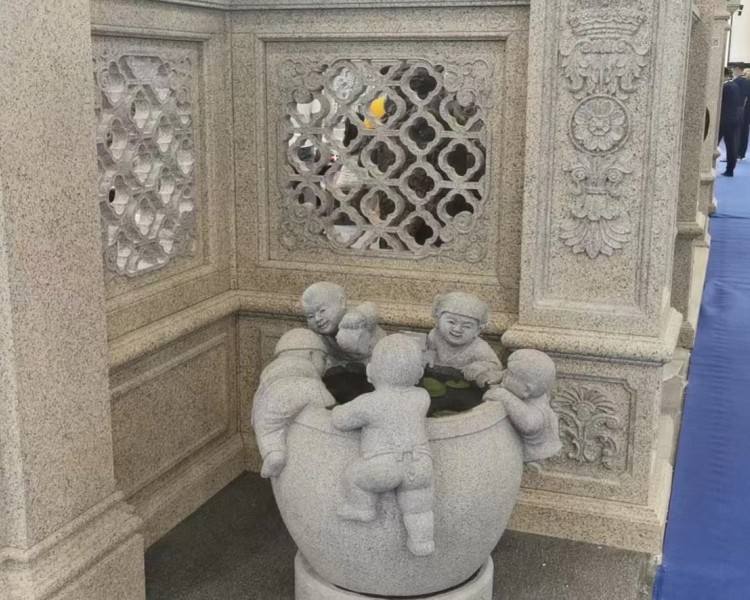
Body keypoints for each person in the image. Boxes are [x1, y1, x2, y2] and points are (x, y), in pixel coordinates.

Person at [331, 334, 435, 556]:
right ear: (419, 373)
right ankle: (422, 541)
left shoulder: (369, 403)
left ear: (370, 371)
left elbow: (340, 420)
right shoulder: (422, 396)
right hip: (420, 463)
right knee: (419, 509)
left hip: (384, 465)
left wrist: (337, 410)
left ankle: (361, 507)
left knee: (354, 475)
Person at [251, 328, 335, 478]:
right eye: (323, 358)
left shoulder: (271, 370)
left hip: (273, 397)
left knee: (267, 428)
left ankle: (274, 453)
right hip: (309, 389)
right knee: (330, 409)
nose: (327, 364)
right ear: (310, 354)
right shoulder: (310, 378)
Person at [485, 349, 561, 462]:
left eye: (510, 374)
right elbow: (520, 380)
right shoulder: (537, 391)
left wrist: (502, 395)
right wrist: (500, 375)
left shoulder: (537, 413)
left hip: (534, 458)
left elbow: (529, 423)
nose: (505, 375)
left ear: (527, 390)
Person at [425, 291, 503, 387]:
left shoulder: (479, 347)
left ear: (478, 330)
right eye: (451, 322)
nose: (457, 329)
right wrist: (429, 355)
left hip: (467, 385)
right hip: (436, 381)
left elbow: (496, 365)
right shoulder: (435, 335)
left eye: (467, 326)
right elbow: (430, 350)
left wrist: (481, 366)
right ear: (438, 320)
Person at [719, 69, 744, 177]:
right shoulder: (735, 86)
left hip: (724, 119)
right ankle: (730, 169)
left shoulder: (725, 87)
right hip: (735, 118)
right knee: (731, 145)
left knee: (714, 144)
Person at [735, 64, 750, 160]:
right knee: (745, 131)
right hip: (747, 111)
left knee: (737, 131)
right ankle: (741, 153)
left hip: (741, 109)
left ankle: (736, 153)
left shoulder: (741, 81)